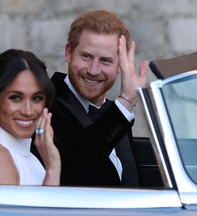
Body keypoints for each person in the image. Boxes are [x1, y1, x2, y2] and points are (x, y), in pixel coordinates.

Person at [32, 10, 148, 187]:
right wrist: (125, 102)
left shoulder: (115, 111)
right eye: (86, 56)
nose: (93, 70)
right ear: (69, 53)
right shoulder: (43, 105)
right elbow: (68, 174)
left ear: (120, 66)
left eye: (105, 61)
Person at [0, 49, 61, 186]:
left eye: (37, 98)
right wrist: (53, 170)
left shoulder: (26, 156)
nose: (28, 111)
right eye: (15, 98)